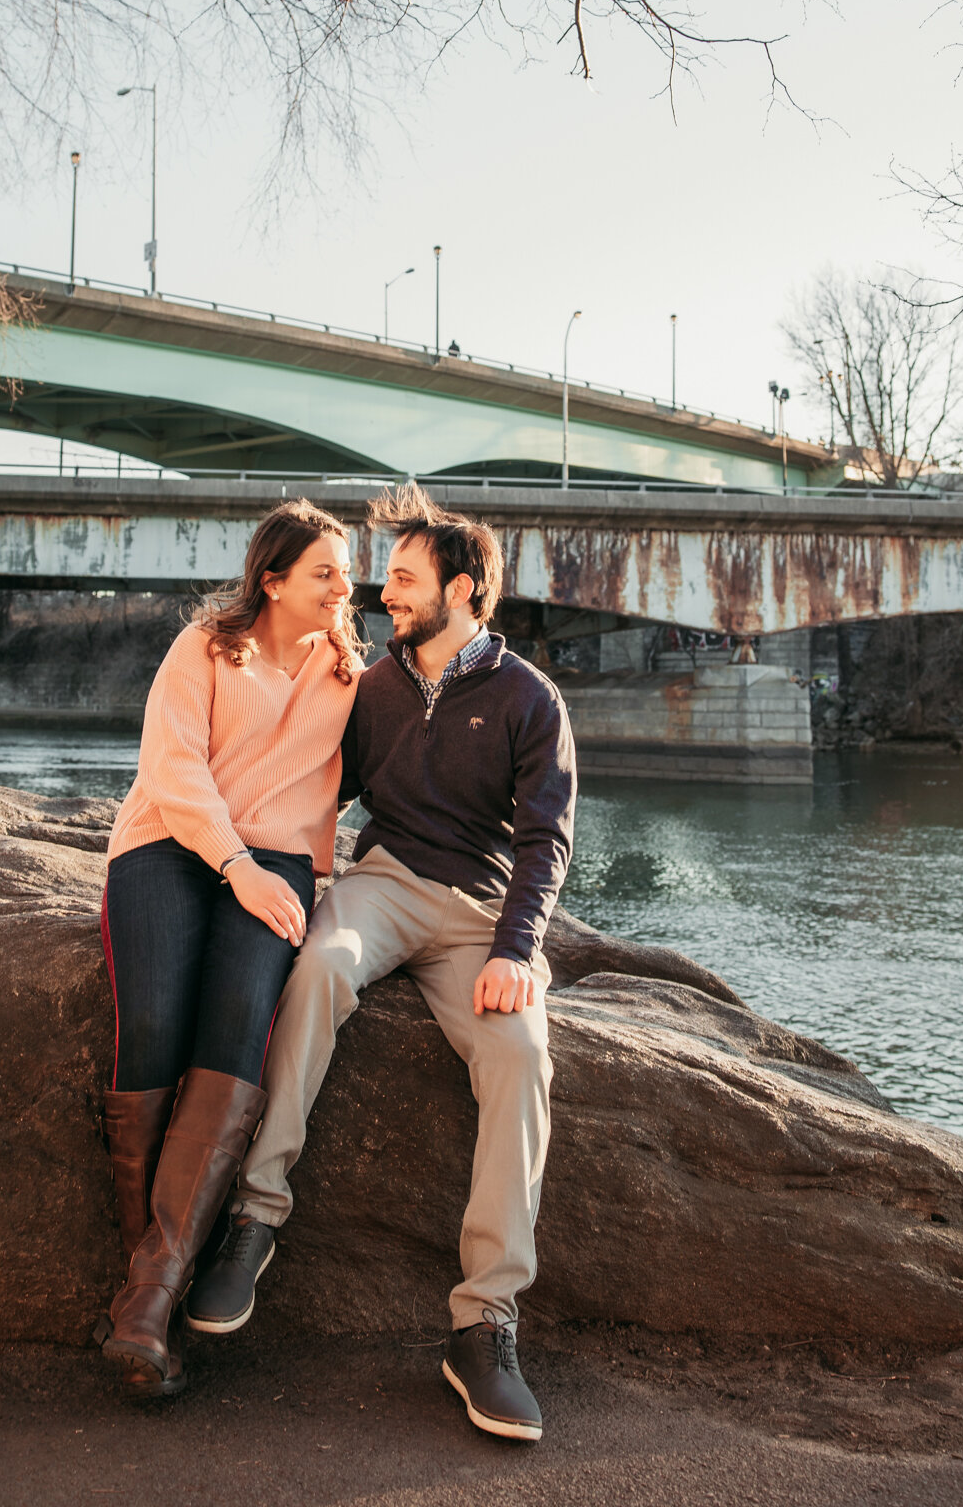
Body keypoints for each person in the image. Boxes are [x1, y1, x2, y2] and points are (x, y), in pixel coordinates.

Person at [186, 484, 577, 1442]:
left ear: (466, 588)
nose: (382, 592)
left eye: (403, 578)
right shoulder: (372, 683)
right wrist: (222, 854)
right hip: (384, 879)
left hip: (479, 914)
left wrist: (518, 949)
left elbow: (546, 842)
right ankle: (256, 1219)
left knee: (522, 1059)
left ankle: (482, 1325)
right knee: (317, 968)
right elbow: (308, 775)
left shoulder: (529, 697)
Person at [98, 499, 363, 1397]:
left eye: (348, 573)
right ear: (273, 579)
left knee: (238, 1025)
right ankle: (148, 1289)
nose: (344, 587)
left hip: (279, 863)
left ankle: (149, 1300)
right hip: (167, 844)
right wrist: (238, 864)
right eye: (325, 571)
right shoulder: (204, 648)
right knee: (156, 1027)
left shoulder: (351, 673)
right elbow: (171, 770)